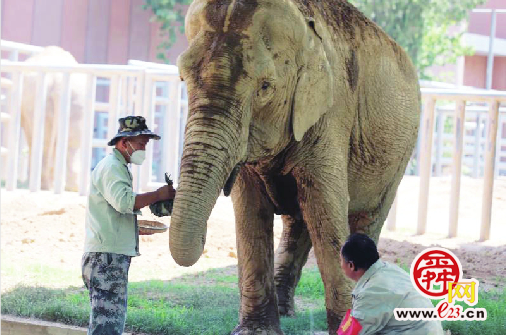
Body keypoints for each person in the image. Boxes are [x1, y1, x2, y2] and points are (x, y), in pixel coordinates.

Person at [82, 115, 175, 335]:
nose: (144, 149)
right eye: (141, 144)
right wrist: (158, 194)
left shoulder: (117, 166)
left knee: (105, 325)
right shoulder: (113, 167)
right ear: (125, 143)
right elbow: (125, 202)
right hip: (106, 260)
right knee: (107, 328)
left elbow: (114, 210)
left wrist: (133, 228)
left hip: (107, 257)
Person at [338, 233, 444, 335]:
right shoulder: (389, 269)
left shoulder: (372, 291)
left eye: (341, 260)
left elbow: (353, 332)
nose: (341, 265)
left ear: (351, 265)